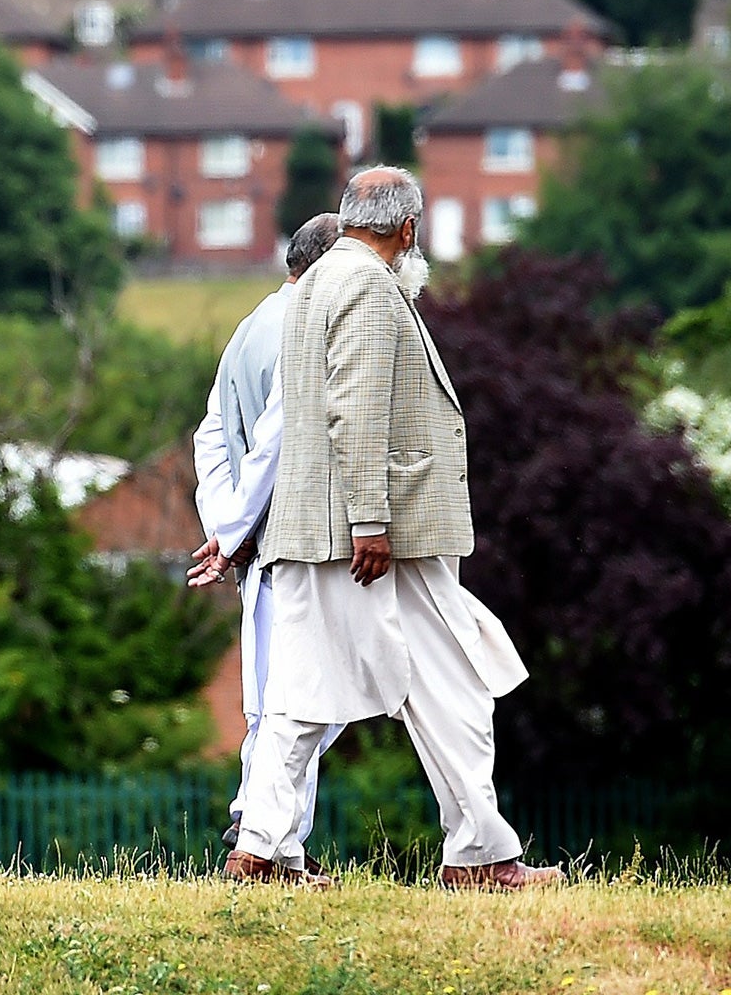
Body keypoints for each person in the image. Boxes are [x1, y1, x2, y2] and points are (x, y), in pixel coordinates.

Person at [226, 167, 559, 891]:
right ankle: (479, 857)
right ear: (408, 229)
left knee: (301, 694)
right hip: (380, 538)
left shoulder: (311, 283)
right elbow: (358, 406)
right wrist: (371, 522)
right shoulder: (371, 287)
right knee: (455, 687)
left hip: (316, 529)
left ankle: (260, 849)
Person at [188, 212, 343, 858]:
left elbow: (212, 438)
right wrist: (237, 533)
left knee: (279, 703)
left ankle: (268, 836)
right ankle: (262, 825)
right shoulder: (313, 331)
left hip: (262, 548)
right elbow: (279, 444)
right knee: (309, 702)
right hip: (304, 544)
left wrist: (227, 527)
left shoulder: (251, 327)